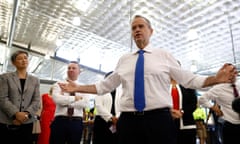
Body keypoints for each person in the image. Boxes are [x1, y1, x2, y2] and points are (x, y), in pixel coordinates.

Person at [58, 15, 237, 144]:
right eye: (133, 28)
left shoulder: (164, 55)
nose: (136, 30)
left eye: (140, 26)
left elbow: (190, 80)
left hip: (158, 120)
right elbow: (104, 86)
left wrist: (216, 79)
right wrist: (76, 89)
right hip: (128, 121)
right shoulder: (124, 60)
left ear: (150, 31)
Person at [0, 50, 41, 144]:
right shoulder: (5, 77)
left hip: (27, 122)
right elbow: (2, 98)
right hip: (8, 121)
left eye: (25, 58)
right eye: (20, 58)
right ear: (14, 62)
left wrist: (26, 114)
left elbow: (36, 100)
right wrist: (16, 114)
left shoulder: (35, 80)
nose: (24, 60)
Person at [49, 61, 90, 144]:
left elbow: (85, 103)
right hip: (60, 121)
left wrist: (65, 100)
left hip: (76, 122)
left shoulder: (84, 87)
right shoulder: (58, 84)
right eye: (69, 68)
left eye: (74, 68)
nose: (71, 70)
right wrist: (75, 98)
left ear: (79, 71)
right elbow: (57, 100)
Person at [198, 64, 240, 144]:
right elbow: (202, 99)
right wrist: (213, 107)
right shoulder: (218, 88)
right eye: (231, 71)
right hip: (230, 126)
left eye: (234, 70)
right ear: (224, 74)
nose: (235, 72)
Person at [92, 71, 118, 144]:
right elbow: (98, 106)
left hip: (115, 122)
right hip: (101, 121)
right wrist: (111, 117)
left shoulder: (119, 91)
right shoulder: (100, 90)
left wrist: (117, 118)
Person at [170, 78, 197, 144]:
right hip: (166, 126)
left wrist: (182, 112)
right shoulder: (161, 85)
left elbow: (193, 103)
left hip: (187, 125)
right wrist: (168, 113)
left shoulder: (187, 85)